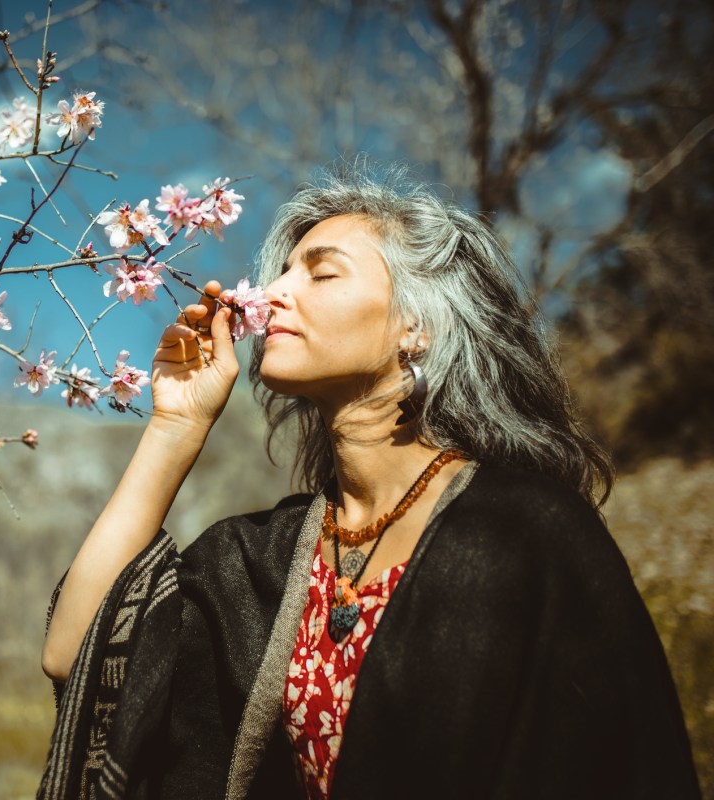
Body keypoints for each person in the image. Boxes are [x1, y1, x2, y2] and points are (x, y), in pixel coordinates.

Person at [38, 165, 700, 800]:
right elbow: (79, 653)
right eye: (282, 272)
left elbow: (630, 768)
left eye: (320, 273)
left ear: (416, 327)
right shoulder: (259, 560)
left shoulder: (528, 532)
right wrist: (175, 426)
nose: (271, 294)